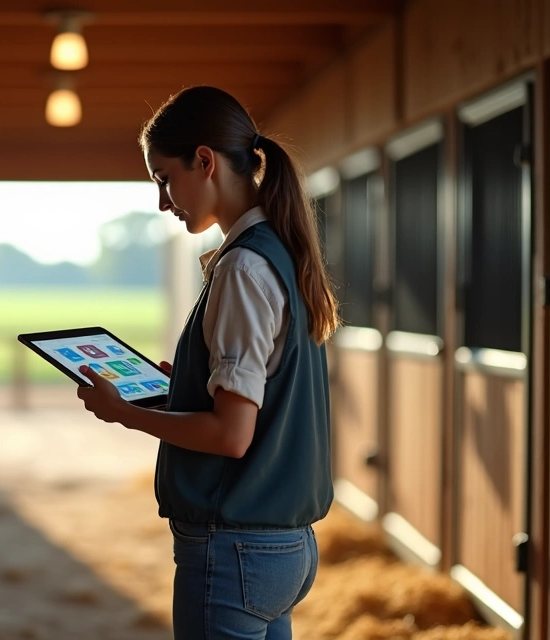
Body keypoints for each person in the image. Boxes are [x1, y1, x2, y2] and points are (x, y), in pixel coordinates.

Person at [76, 85, 339, 639]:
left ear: (204, 161)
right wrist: (188, 388)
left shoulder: (242, 268)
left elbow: (231, 435)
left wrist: (123, 411)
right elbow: (254, 398)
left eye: (164, 178)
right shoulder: (279, 252)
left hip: (235, 547)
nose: (163, 201)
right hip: (284, 547)